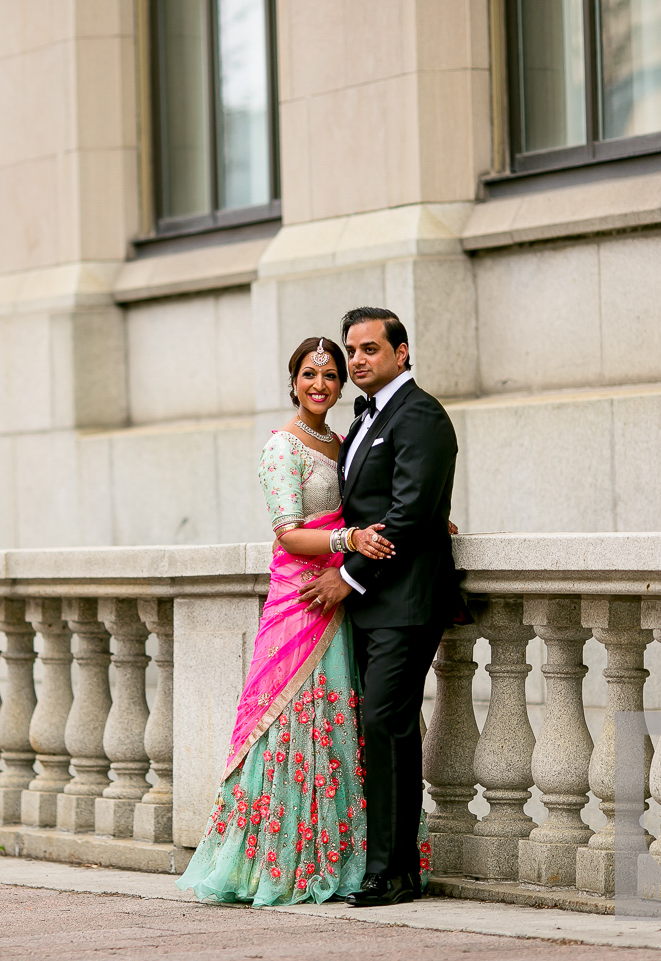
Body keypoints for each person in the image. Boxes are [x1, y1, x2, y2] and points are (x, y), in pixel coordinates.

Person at [176, 336, 428, 907]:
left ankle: (339, 857)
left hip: (342, 601)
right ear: (293, 382)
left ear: (341, 385)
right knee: (287, 720)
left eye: (331, 375)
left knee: (341, 726)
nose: (321, 384)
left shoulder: (343, 442)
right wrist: (347, 538)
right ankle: (274, 863)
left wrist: (425, 527)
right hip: (301, 600)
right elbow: (288, 530)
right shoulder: (280, 448)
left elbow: (376, 503)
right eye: (310, 374)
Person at [297, 307, 461, 908]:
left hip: (406, 602)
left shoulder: (421, 415)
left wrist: (347, 576)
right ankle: (390, 866)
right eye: (352, 350)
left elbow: (411, 510)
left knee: (384, 725)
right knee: (381, 728)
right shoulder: (366, 417)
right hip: (372, 607)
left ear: (402, 352)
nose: (358, 359)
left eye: (370, 348)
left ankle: (391, 874)